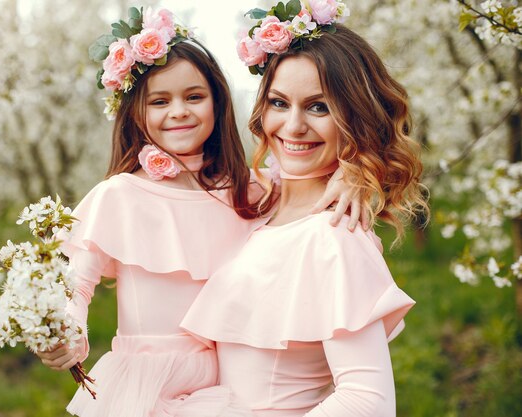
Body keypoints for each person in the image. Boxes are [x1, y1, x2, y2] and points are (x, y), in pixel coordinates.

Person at [34, 7, 360, 417]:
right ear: (136, 111)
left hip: (228, 380)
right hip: (148, 382)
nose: (179, 111)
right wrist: (69, 335)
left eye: (194, 97)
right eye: (160, 101)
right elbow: (77, 288)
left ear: (217, 103)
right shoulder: (119, 195)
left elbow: (311, 188)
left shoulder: (250, 191)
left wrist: (354, 177)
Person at [181, 2, 430, 416]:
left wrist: (359, 167)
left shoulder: (334, 234)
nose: (293, 126)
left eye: (319, 107)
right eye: (279, 103)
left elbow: (367, 401)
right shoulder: (259, 204)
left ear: (355, 117)